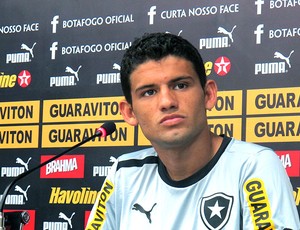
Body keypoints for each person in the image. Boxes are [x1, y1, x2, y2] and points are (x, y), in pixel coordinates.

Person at [85, 32, 300, 229]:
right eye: (149, 92)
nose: (167, 101)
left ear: (208, 95)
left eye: (180, 85)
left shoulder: (253, 166)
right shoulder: (124, 173)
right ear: (129, 113)